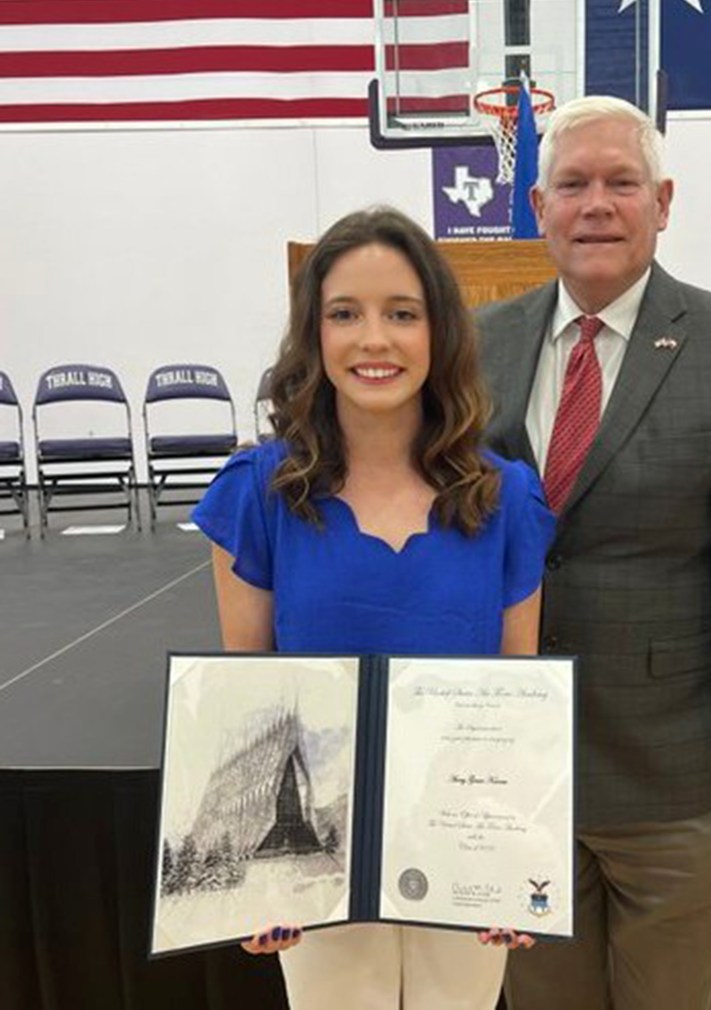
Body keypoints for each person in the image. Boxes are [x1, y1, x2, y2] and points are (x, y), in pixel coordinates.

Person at [476, 96, 711, 1010]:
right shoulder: (482, 343)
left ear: (663, 202)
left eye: (621, 183)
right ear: (538, 207)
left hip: (677, 776)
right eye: (573, 185)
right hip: (515, 774)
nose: (597, 204)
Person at [191, 206, 554, 1010]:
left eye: (402, 314)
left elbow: (517, 693)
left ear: (439, 333)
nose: (374, 340)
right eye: (344, 314)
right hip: (316, 865)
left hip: (460, 853)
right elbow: (247, 699)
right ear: (313, 334)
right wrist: (252, 877)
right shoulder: (258, 494)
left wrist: (514, 856)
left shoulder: (506, 500)